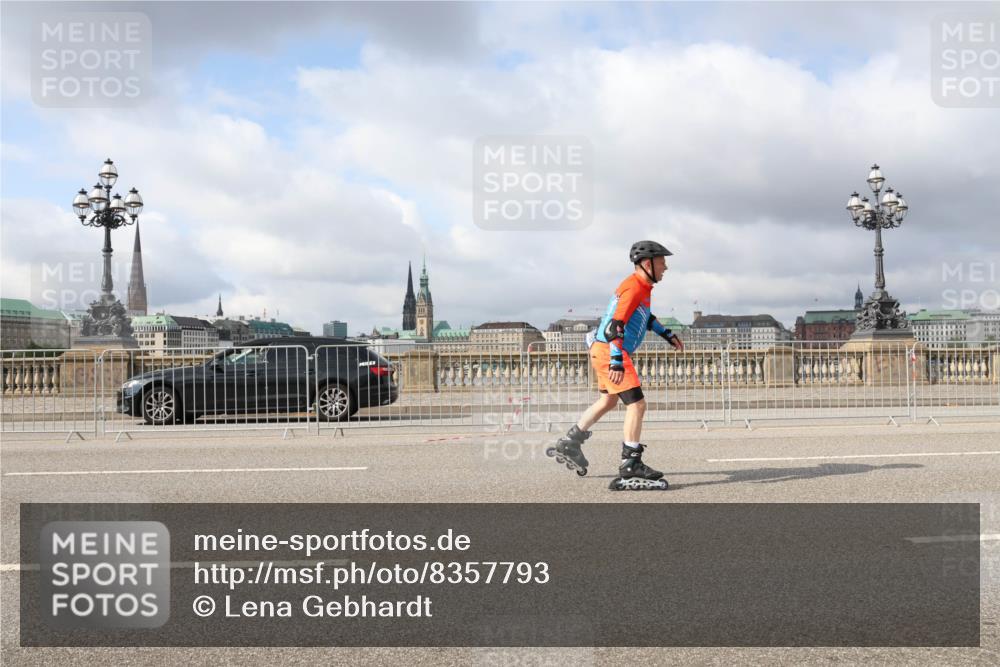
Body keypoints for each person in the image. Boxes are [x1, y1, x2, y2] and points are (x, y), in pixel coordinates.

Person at [548, 240, 683, 490]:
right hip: (612, 351)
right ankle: (630, 463)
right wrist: (618, 362)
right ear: (647, 263)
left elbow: (645, 318)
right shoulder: (633, 288)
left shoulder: (642, 287)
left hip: (602, 350)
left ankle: (571, 441)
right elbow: (615, 326)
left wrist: (667, 334)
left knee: (608, 401)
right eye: (662, 262)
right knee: (637, 404)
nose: (666, 267)